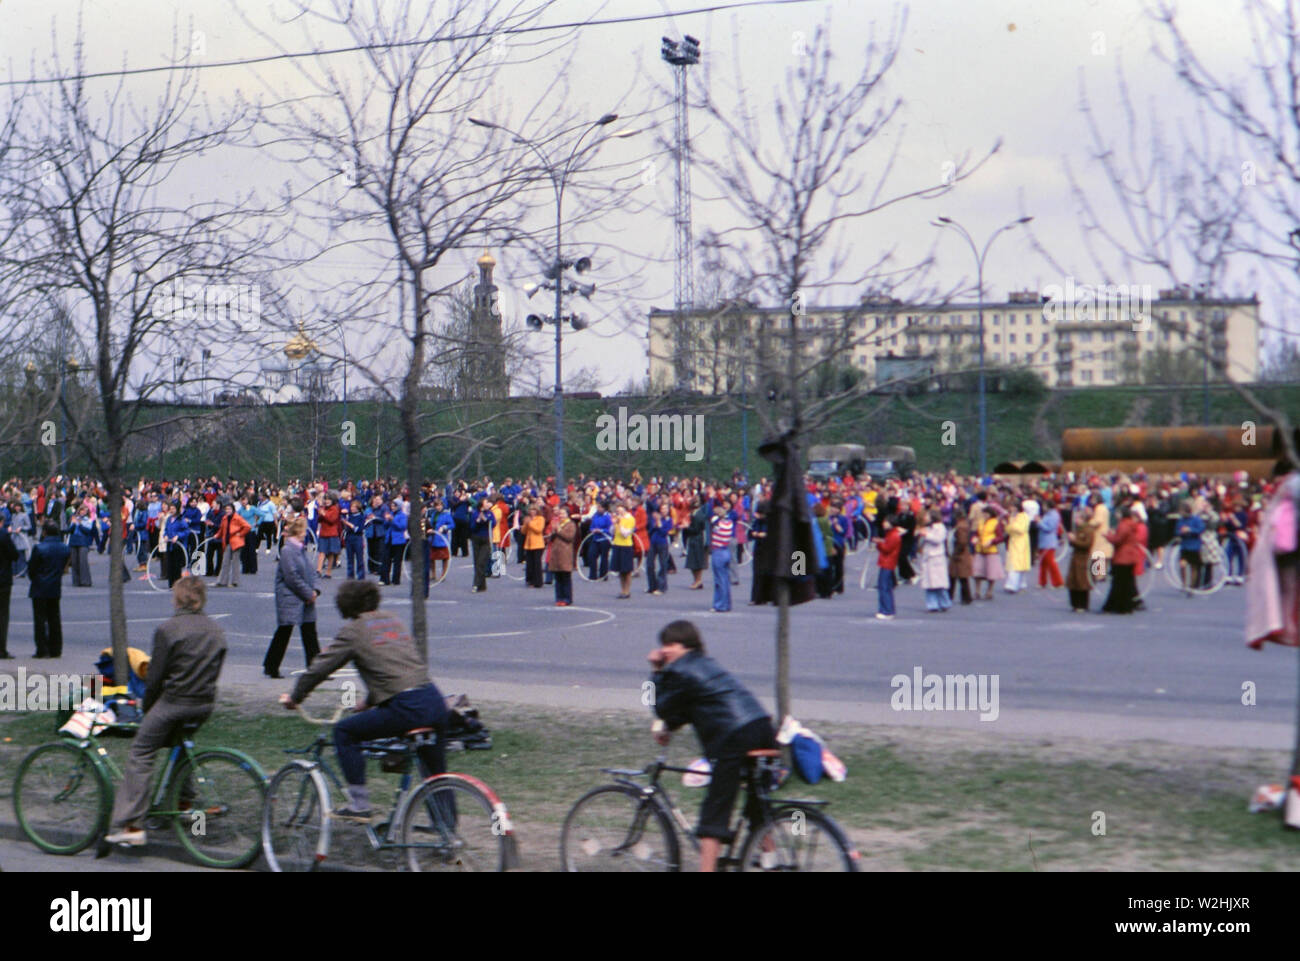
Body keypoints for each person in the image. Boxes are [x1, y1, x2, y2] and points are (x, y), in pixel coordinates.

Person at [280, 580, 448, 821]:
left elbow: (320, 668)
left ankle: (359, 804)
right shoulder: (392, 620)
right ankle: (448, 836)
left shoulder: (354, 630)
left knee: (345, 732)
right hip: (433, 699)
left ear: (345, 605)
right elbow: (394, 667)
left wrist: (295, 698)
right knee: (436, 775)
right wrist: (369, 702)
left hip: (406, 706)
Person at [103, 578, 227, 847]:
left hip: (174, 702)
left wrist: (147, 708)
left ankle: (131, 824)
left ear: (178, 599)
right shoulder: (216, 630)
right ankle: (183, 803)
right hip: (203, 703)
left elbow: (156, 676)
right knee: (181, 746)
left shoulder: (168, 629)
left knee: (142, 752)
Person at [646, 619, 776, 873]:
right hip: (760, 727)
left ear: (684, 646)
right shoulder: (704, 664)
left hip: (734, 735)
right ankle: (774, 860)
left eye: (670, 644)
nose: (664, 650)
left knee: (715, 812)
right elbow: (694, 706)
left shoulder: (679, 670)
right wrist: (668, 727)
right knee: (756, 800)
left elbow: (660, 705)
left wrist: (656, 672)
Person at [263, 517, 321, 678]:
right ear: (299, 532)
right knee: (284, 630)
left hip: (304, 596)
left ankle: (315, 667)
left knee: (309, 631)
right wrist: (308, 593)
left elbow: (309, 572)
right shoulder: (288, 550)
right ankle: (271, 665)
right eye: (304, 530)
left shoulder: (301, 549)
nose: (305, 534)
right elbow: (291, 577)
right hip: (290, 597)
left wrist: (315, 590)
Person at [28, 520, 71, 658]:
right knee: (54, 618)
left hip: (39, 585)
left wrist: (35, 578)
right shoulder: (64, 548)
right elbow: (64, 565)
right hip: (54, 585)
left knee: (40, 619)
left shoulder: (39, 548)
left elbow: (32, 569)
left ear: (44, 532)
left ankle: (42, 648)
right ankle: (56, 648)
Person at [1102, 504, 1141, 614]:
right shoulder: (1130, 524)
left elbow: (1118, 540)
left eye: (1118, 513)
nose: (1116, 514)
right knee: (1127, 583)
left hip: (1121, 557)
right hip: (1130, 556)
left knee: (1118, 583)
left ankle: (1113, 606)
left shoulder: (1123, 525)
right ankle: (1126, 606)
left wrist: (1107, 536)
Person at [918, 509, 951, 612]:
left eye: (927, 516)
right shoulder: (927, 528)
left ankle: (944, 602)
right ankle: (932, 605)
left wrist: (926, 535)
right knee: (929, 585)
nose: (925, 518)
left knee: (939, 584)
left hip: (936, 557)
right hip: (928, 557)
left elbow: (938, 540)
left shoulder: (940, 528)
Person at [215, 502, 251, 588]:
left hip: (236, 542)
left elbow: (247, 526)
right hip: (228, 541)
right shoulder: (224, 518)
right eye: (226, 509)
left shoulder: (237, 518)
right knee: (225, 562)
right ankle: (223, 581)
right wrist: (217, 535)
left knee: (235, 562)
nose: (228, 511)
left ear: (233, 510)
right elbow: (222, 529)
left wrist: (240, 534)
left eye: (229, 509)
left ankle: (235, 581)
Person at [1066, 510, 1096, 613]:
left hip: (1083, 558)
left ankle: (1082, 604)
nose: (1075, 520)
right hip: (1075, 557)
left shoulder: (1088, 530)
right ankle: (1074, 604)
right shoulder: (1078, 529)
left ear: (1083, 519)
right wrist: (1071, 540)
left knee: (1082, 582)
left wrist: (1074, 540)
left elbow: (1087, 545)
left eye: (1077, 518)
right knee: (1073, 581)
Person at [872, 514, 901, 620]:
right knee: (886, 587)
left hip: (887, 562)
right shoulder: (892, 534)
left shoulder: (893, 535)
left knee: (883, 587)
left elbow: (886, 548)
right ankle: (888, 609)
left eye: (886, 522)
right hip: (888, 562)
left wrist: (879, 543)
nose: (884, 523)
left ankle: (886, 610)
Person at [547, 509, 578, 606]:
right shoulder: (557, 523)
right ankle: (559, 597)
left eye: (563, 513)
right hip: (556, 553)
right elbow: (551, 538)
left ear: (567, 514)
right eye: (560, 513)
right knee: (558, 577)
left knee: (565, 577)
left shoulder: (571, 524)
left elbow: (569, 537)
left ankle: (567, 598)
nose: (561, 515)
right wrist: (553, 532)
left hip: (565, 553)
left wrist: (558, 530)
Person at [707, 502, 734, 612]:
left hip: (718, 552)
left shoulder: (716, 523)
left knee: (719, 580)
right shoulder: (729, 523)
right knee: (725, 579)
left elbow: (710, 515)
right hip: (726, 550)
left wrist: (711, 499)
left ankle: (719, 604)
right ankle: (727, 603)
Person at [0, 515, 17, 658]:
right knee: (3, 614)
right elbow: (14, 554)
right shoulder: (4, 536)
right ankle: (1, 649)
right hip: (3, 578)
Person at [469, 495, 494, 592]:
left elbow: (494, 523)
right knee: (477, 562)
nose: (488, 504)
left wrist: (486, 520)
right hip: (476, 539)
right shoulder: (475, 513)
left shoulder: (490, 513)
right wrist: (478, 521)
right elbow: (472, 527)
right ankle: (482, 585)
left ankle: (475, 584)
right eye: (486, 503)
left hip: (486, 539)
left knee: (481, 562)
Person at [343, 498, 367, 580]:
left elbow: (359, 529)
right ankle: (350, 575)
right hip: (349, 538)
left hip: (357, 538)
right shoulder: (349, 516)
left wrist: (349, 524)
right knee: (350, 558)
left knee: (359, 558)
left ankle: (361, 575)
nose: (352, 508)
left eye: (354, 507)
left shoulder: (361, 517)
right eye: (351, 507)